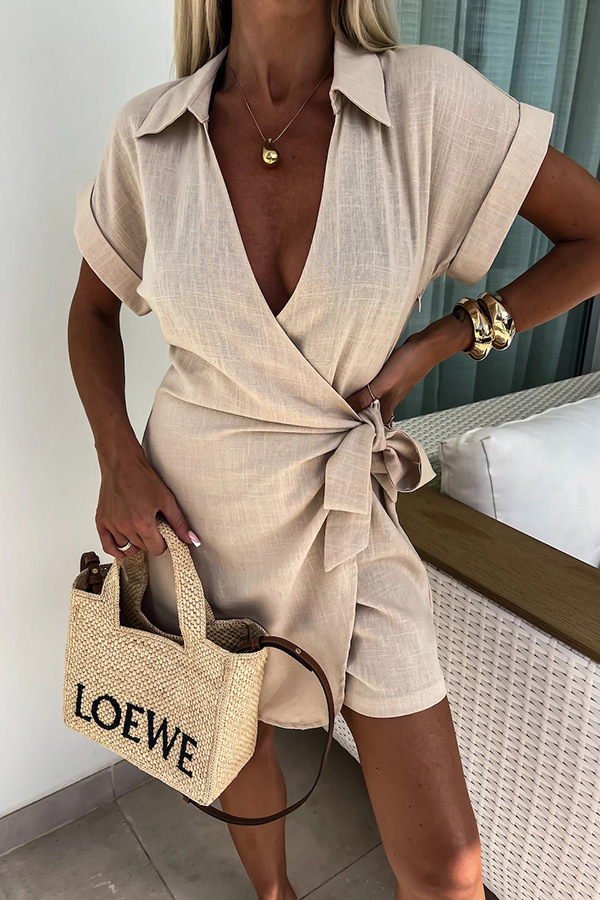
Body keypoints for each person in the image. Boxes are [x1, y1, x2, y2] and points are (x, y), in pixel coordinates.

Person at [67, 1, 600, 898]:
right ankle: (273, 893)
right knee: (234, 738)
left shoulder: (424, 103)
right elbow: (90, 311)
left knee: (447, 870)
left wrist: (441, 342)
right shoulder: (150, 133)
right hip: (194, 513)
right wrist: (118, 458)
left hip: (344, 507)